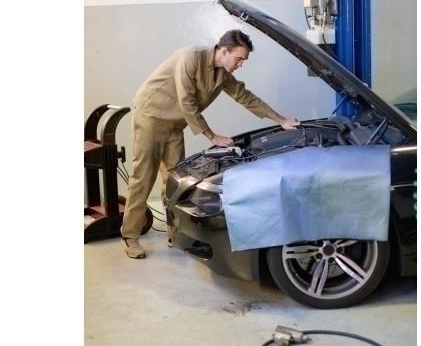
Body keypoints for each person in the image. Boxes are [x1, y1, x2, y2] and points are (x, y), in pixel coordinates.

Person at [121, 29, 300, 259]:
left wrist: (280, 119)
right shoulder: (190, 58)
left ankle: (175, 233)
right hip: (151, 116)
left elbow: (245, 97)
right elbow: (186, 102)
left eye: (243, 61)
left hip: (175, 123)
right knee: (143, 176)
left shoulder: (222, 74)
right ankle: (130, 236)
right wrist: (211, 136)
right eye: (239, 59)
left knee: (176, 180)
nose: (240, 65)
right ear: (224, 51)